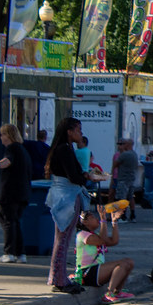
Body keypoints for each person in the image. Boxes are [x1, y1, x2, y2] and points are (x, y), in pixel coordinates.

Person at [45, 117, 105, 293]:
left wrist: (85, 175)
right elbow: (73, 176)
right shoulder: (64, 149)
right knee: (63, 238)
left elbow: (74, 172)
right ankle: (59, 279)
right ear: (69, 132)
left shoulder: (65, 148)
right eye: (78, 130)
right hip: (67, 197)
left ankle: (59, 277)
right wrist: (87, 177)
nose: (80, 133)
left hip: (64, 195)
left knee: (62, 238)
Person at [0, 123, 32, 262]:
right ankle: (21, 254)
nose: (1, 138)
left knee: (7, 222)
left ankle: (9, 253)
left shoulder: (12, 148)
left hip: (10, 193)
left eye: (2, 134)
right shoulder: (23, 150)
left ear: (8, 135)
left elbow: (7, 161)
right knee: (16, 222)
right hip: (23, 193)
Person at [74, 206, 135, 303]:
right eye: (93, 218)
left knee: (129, 262)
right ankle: (109, 293)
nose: (96, 219)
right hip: (86, 272)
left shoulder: (95, 234)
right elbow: (102, 240)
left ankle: (117, 292)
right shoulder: (82, 235)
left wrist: (114, 222)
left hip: (96, 271)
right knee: (123, 264)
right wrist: (103, 220)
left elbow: (113, 241)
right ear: (85, 222)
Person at [111, 138, 138, 223]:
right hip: (131, 179)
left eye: (124, 144)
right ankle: (133, 215)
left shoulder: (124, 155)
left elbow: (115, 164)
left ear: (128, 145)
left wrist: (112, 175)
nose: (123, 145)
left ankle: (123, 216)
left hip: (123, 179)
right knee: (130, 197)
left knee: (121, 198)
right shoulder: (134, 154)